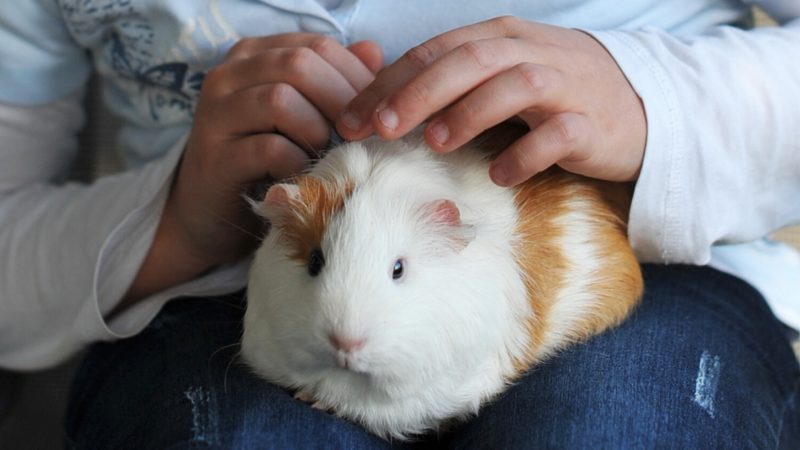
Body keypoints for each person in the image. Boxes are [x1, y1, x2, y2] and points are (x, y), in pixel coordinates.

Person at [1, 0, 798, 448]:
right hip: (202, 288)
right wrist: (173, 218)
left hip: (670, 272)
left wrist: (660, 104)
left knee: (616, 429)